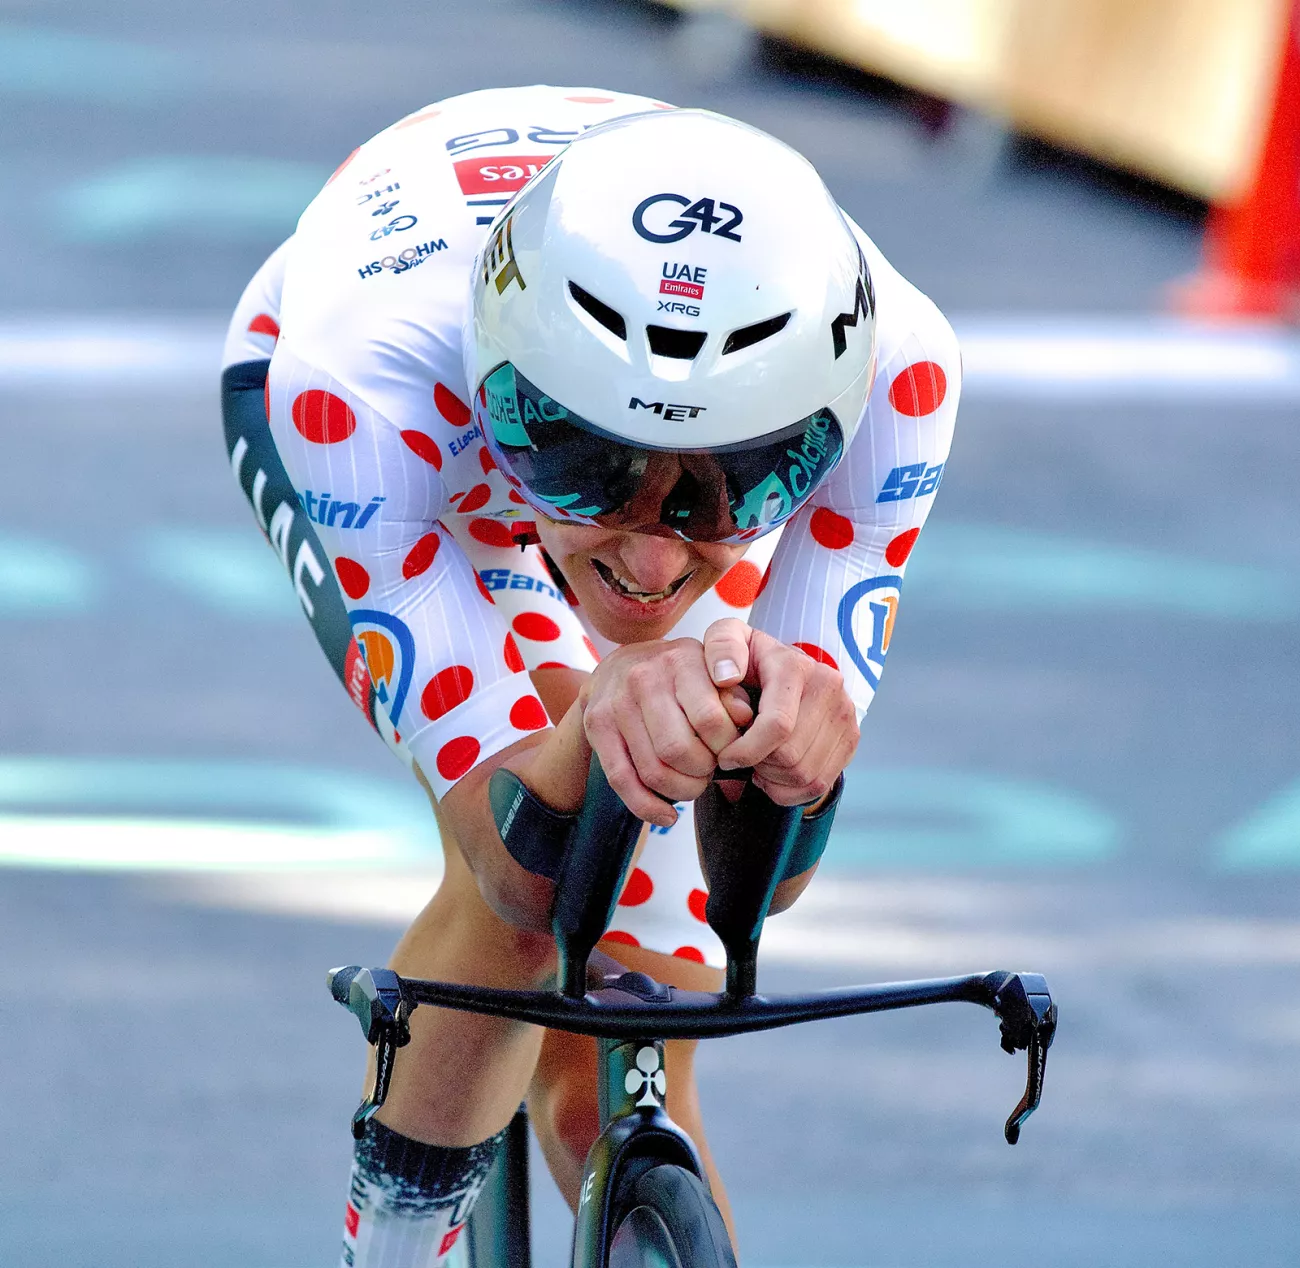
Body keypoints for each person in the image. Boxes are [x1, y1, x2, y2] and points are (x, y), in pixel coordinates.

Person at [220, 85, 958, 1268]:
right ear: (512, 391)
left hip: (514, 399)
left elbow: (763, 882)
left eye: (732, 485)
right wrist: (591, 717)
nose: (653, 554)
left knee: (652, 986)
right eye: (583, 463)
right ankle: (397, 1244)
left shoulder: (900, 377)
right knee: (523, 899)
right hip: (424, 462)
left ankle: (628, 1195)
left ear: (814, 430)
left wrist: (795, 756)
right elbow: (507, 838)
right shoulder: (359, 382)